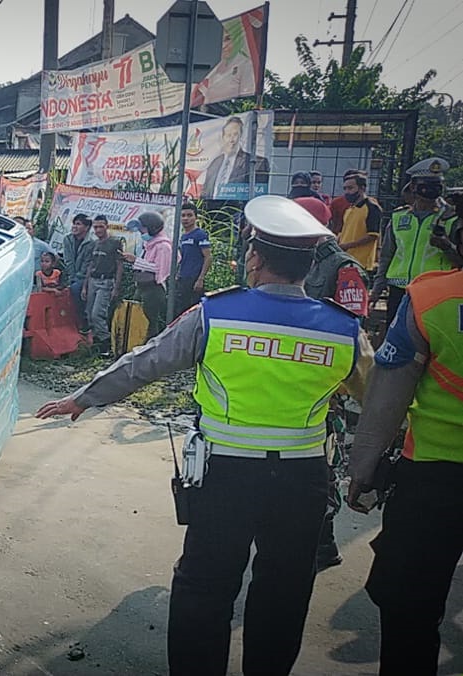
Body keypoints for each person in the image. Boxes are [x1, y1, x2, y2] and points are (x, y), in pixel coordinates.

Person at [36, 195, 365, 676]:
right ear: (310, 262)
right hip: (303, 481)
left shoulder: (216, 315)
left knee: (204, 587)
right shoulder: (343, 328)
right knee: (285, 589)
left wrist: (83, 398)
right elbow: (378, 396)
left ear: (253, 256)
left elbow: (146, 362)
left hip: (224, 475)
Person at [347, 226, 463, 675]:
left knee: (411, 611)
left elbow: (386, 396)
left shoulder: (430, 300)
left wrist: (363, 467)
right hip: (432, 483)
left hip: (434, 481)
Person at [294, 196, 370, 572]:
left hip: (326, 388)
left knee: (321, 468)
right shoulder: (289, 254)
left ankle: (322, 542)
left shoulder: (343, 268)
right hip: (289, 377)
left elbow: (352, 333)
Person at [371, 157, 462, 325]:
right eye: (426, 185)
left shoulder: (452, 219)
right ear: (413, 187)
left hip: (435, 290)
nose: (431, 190)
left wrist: (447, 246)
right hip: (400, 290)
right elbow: (386, 256)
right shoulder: (399, 217)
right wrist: (377, 288)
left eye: (437, 185)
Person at [122, 212, 171, 338]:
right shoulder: (149, 245)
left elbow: (160, 269)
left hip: (154, 288)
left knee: (150, 321)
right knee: (136, 317)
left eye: (142, 229)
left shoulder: (163, 246)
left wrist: (136, 261)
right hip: (142, 286)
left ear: (152, 228)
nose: (140, 231)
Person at [200, 116, 270, 199]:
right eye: (228, 135)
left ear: (241, 136)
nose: (232, 140)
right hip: (212, 209)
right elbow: (205, 192)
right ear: (223, 138)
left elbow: (258, 196)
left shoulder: (257, 163)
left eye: (235, 134)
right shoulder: (215, 163)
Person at [83, 215, 123, 355]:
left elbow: (119, 266)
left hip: (106, 281)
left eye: (101, 226)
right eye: (96, 227)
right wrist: (85, 286)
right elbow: (91, 265)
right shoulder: (94, 244)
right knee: (89, 313)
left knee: (97, 314)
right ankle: (96, 344)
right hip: (93, 280)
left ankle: (107, 345)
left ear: (107, 226)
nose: (98, 230)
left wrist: (116, 288)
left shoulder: (114, 243)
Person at [337, 171, 382, 272]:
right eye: (345, 188)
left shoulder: (372, 207)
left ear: (362, 188)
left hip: (361, 263)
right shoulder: (349, 209)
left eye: (350, 188)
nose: (347, 192)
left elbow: (372, 235)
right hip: (345, 259)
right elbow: (345, 232)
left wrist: (347, 245)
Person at [175, 202, 213, 315]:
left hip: (194, 279)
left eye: (189, 215)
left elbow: (208, 257)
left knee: (192, 311)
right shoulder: (183, 236)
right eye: (183, 215)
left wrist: (200, 279)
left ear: (195, 217)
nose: (186, 218)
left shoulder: (200, 235)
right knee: (180, 311)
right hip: (183, 278)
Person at [61, 214, 95, 330]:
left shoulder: (91, 243)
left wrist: (77, 278)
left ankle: (83, 319)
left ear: (86, 227)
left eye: (78, 224)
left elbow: (88, 264)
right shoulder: (67, 239)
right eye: (74, 223)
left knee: (75, 288)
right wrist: (71, 277)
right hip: (72, 275)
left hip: (85, 277)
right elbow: (68, 260)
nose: (74, 227)